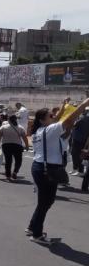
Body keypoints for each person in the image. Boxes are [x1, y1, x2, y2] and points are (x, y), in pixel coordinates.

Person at [26, 98, 89, 244]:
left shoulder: (41, 131)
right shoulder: (50, 130)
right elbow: (68, 119)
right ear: (43, 120)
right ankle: (36, 234)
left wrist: (65, 111)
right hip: (47, 169)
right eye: (51, 115)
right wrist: (84, 105)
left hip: (41, 167)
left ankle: (32, 227)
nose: (54, 116)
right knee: (45, 202)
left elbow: (66, 129)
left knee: (45, 202)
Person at [0, 115, 29, 181]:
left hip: (6, 145)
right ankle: (15, 172)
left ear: (9, 120)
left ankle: (8, 176)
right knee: (18, 160)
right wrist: (27, 146)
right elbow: (25, 138)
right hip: (17, 146)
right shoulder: (20, 127)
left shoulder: (3, 127)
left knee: (8, 161)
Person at [70, 111, 89, 176]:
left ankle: (79, 170)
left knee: (76, 155)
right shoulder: (83, 118)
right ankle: (77, 169)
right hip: (82, 139)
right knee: (77, 155)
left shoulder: (83, 118)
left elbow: (73, 125)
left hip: (78, 140)